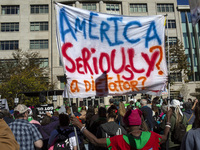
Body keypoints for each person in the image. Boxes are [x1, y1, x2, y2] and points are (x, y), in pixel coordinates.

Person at [71, 108, 172, 150]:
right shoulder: (152, 136)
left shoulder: (120, 140)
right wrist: (168, 118)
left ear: (126, 124)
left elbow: (95, 141)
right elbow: (165, 136)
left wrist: (80, 126)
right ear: (140, 122)